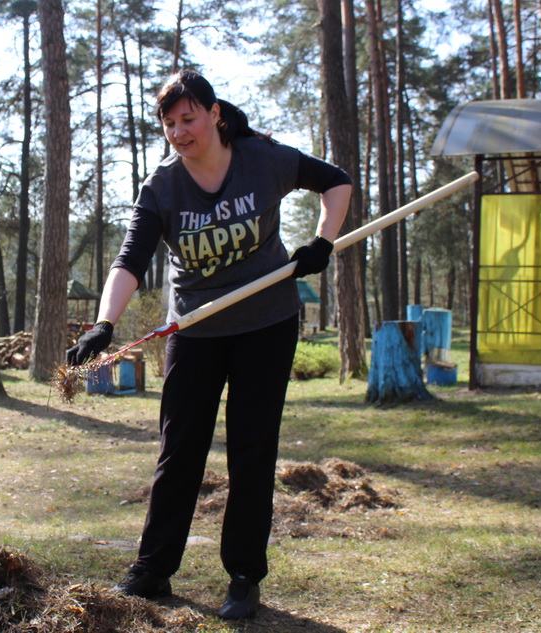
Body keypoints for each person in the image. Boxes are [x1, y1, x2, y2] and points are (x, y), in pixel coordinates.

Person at [65, 69, 352, 620]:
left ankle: (244, 577)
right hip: (195, 329)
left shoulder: (262, 160)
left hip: (266, 325)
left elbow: (336, 180)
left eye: (188, 118)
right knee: (180, 450)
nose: (179, 131)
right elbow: (130, 259)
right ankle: (153, 569)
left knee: (251, 448)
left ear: (214, 113)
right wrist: (105, 322)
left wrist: (322, 242)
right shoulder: (163, 187)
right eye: (169, 123)